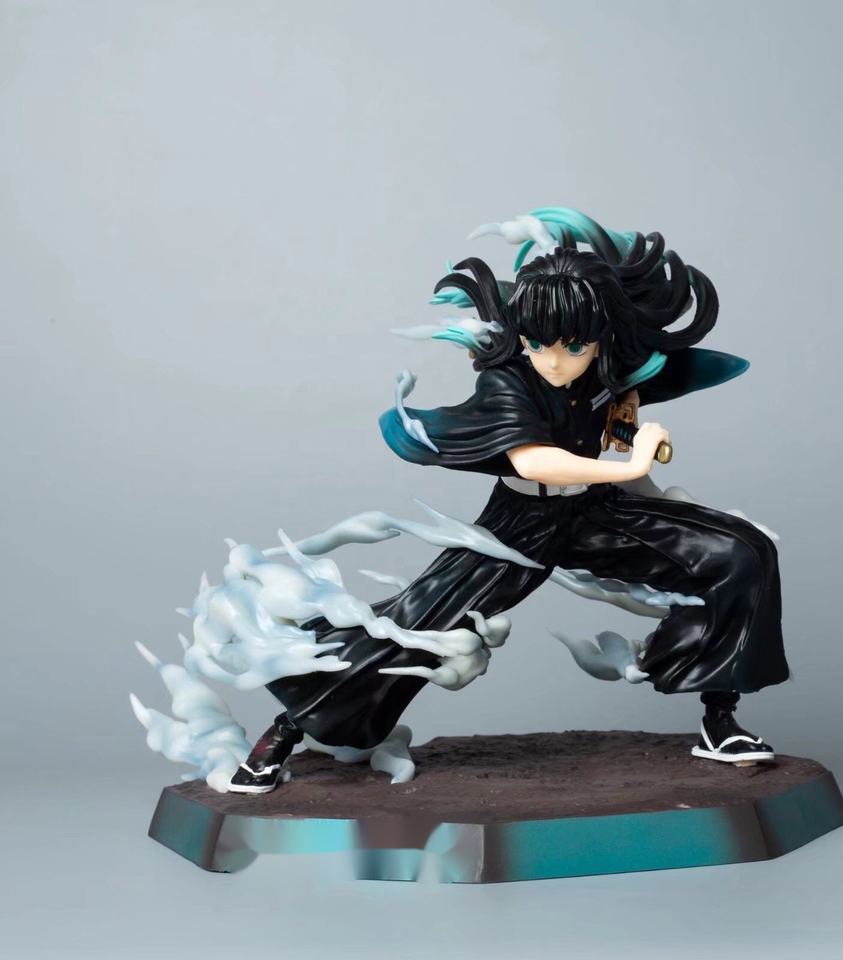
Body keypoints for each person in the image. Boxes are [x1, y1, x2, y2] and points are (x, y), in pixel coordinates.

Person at [228, 209, 789, 794]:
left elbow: (621, 413)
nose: (554, 361)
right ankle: (285, 730)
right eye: (537, 343)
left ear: (601, 336)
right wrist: (631, 465)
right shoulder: (509, 381)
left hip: (596, 513)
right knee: (419, 624)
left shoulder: (610, 368)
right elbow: (533, 461)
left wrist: (631, 439)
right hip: (521, 524)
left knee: (739, 553)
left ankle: (718, 716)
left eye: (574, 346)